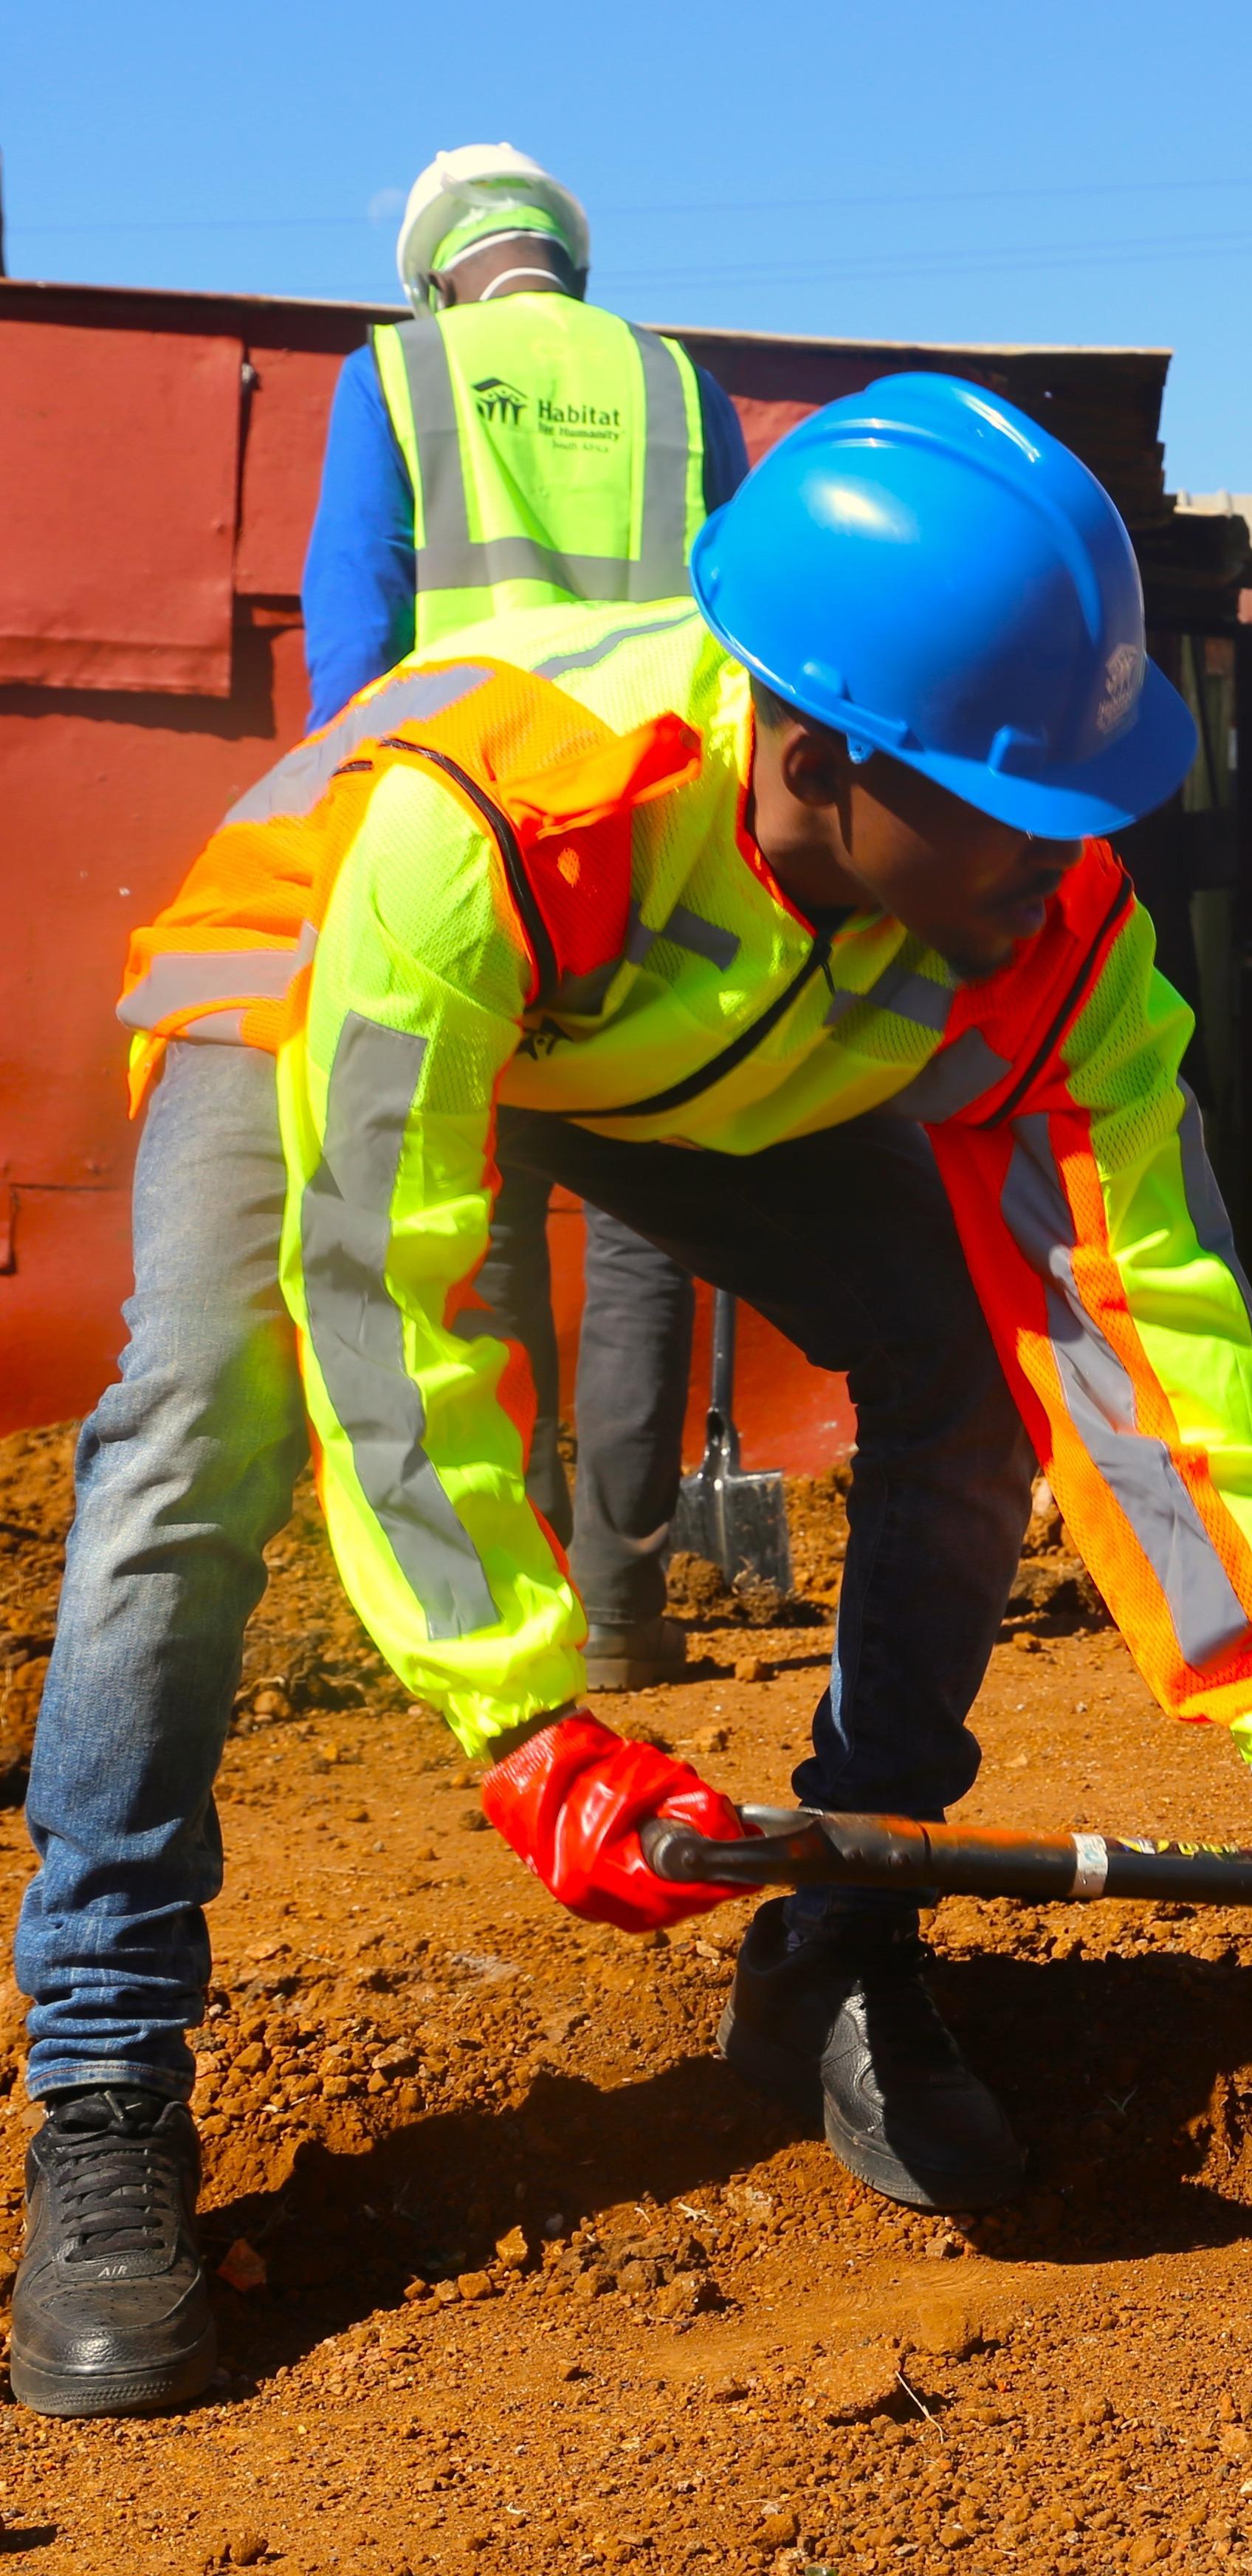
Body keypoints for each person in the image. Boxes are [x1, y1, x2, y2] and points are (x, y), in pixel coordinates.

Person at [16, 374, 1252, 2420]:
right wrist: (524, 1717)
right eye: (1023, 803)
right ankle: (102, 2081)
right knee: (199, 1424)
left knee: (969, 1373)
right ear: (818, 758)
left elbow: (1140, 1307)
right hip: (334, 967)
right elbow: (392, 1279)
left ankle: (836, 1929)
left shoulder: (1029, 912)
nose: (1081, 858)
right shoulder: (497, 819)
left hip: (682, 1039)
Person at [302, 142, 755, 1689]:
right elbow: (748, 625)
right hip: (653, 835)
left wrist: (343, 863)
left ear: (431, 271)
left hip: (467, 837)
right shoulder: (682, 386)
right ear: (569, 260)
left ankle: (520, 1605)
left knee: (466, 1227)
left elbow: (354, 638)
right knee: (642, 1231)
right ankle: (630, 1619)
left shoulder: (398, 375)